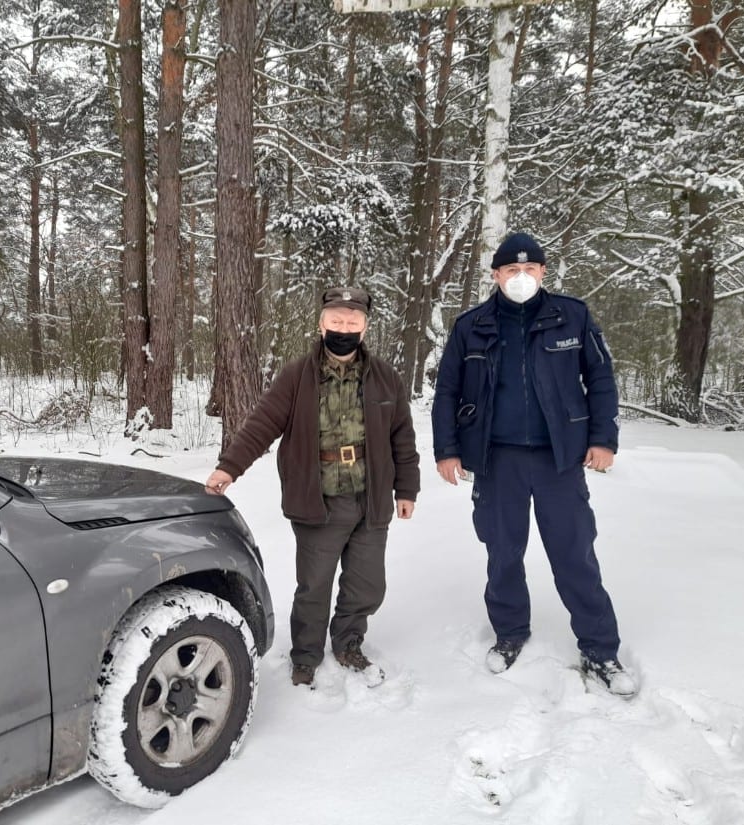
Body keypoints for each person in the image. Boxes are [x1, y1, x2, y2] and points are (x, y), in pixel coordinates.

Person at [431, 232, 636, 697]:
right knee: (503, 552)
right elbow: (447, 390)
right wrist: (447, 449)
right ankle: (510, 633)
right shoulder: (472, 326)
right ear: (496, 275)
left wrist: (603, 439)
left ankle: (601, 648)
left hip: (558, 459)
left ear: (543, 272)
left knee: (574, 554)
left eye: (529, 270)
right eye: (510, 270)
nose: (520, 278)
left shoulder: (573, 316)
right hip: (495, 457)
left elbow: (601, 378)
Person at [205, 287, 420, 688]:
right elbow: (261, 425)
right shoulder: (296, 376)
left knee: (367, 584)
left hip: (370, 499)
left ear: (365, 327)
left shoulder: (386, 378)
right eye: (336, 321)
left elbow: (402, 439)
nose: (344, 328)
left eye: (352, 322)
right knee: (314, 586)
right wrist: (229, 468)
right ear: (321, 324)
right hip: (319, 501)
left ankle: (348, 642)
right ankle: (305, 654)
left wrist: (407, 490)